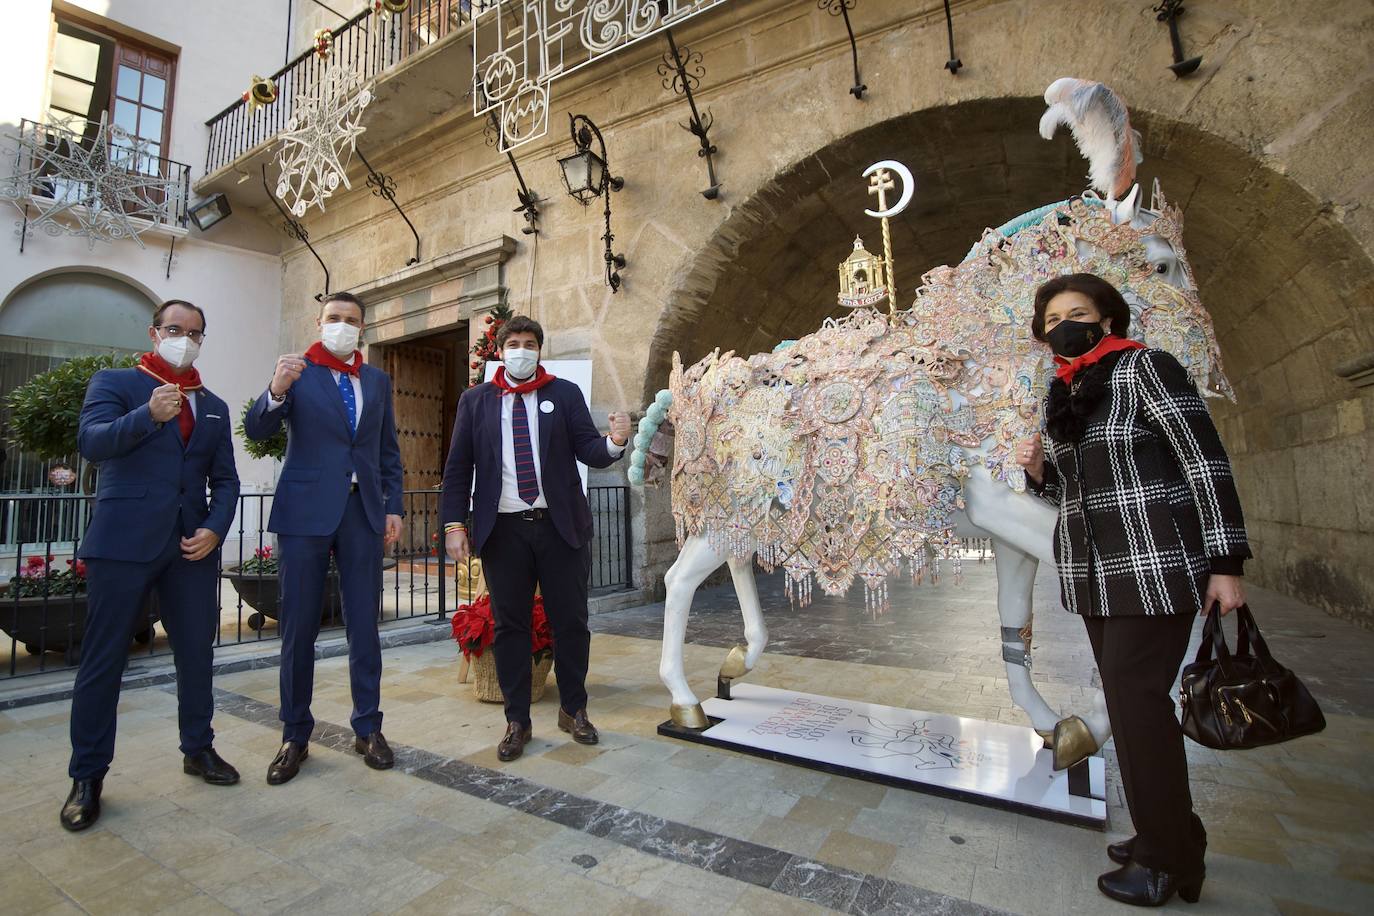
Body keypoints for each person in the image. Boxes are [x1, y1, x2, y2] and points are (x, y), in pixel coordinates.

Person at [1016, 273, 1250, 907]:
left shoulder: (1147, 369)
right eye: (1053, 316)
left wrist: (1225, 561)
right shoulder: (1063, 391)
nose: (1065, 323)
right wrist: (1041, 475)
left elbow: (1205, 460)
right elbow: (1074, 490)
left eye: (1079, 312)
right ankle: (1174, 835)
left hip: (1152, 566)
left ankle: (1165, 858)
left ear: (1106, 320)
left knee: (1139, 705)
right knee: (1128, 703)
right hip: (1095, 577)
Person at [62, 300, 240, 831]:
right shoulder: (116, 382)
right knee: (103, 661)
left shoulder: (212, 404)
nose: (183, 339)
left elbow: (226, 479)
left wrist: (215, 527)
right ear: (154, 332)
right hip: (122, 543)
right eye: (173, 329)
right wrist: (147, 416)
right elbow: (92, 444)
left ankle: (198, 747)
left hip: (191, 547)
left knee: (196, 655)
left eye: (194, 333)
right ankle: (87, 776)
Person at [441, 316, 631, 762]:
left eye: (529, 344)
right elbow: (457, 469)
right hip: (503, 531)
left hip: (559, 527)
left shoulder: (563, 394)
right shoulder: (475, 401)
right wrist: (453, 526)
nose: (521, 351)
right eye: (513, 343)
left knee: (571, 622)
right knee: (511, 626)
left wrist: (616, 442)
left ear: (540, 350)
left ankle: (573, 709)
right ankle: (517, 720)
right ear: (500, 350)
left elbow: (589, 449)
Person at [243, 292, 403, 784]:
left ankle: (368, 727)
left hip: (361, 513)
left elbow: (386, 451)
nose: (342, 326)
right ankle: (294, 734)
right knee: (297, 627)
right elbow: (258, 427)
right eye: (334, 318)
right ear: (319, 322)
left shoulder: (376, 381)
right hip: (305, 513)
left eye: (351, 320)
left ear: (362, 328)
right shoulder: (297, 371)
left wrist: (392, 506)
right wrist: (275, 388)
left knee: (364, 625)